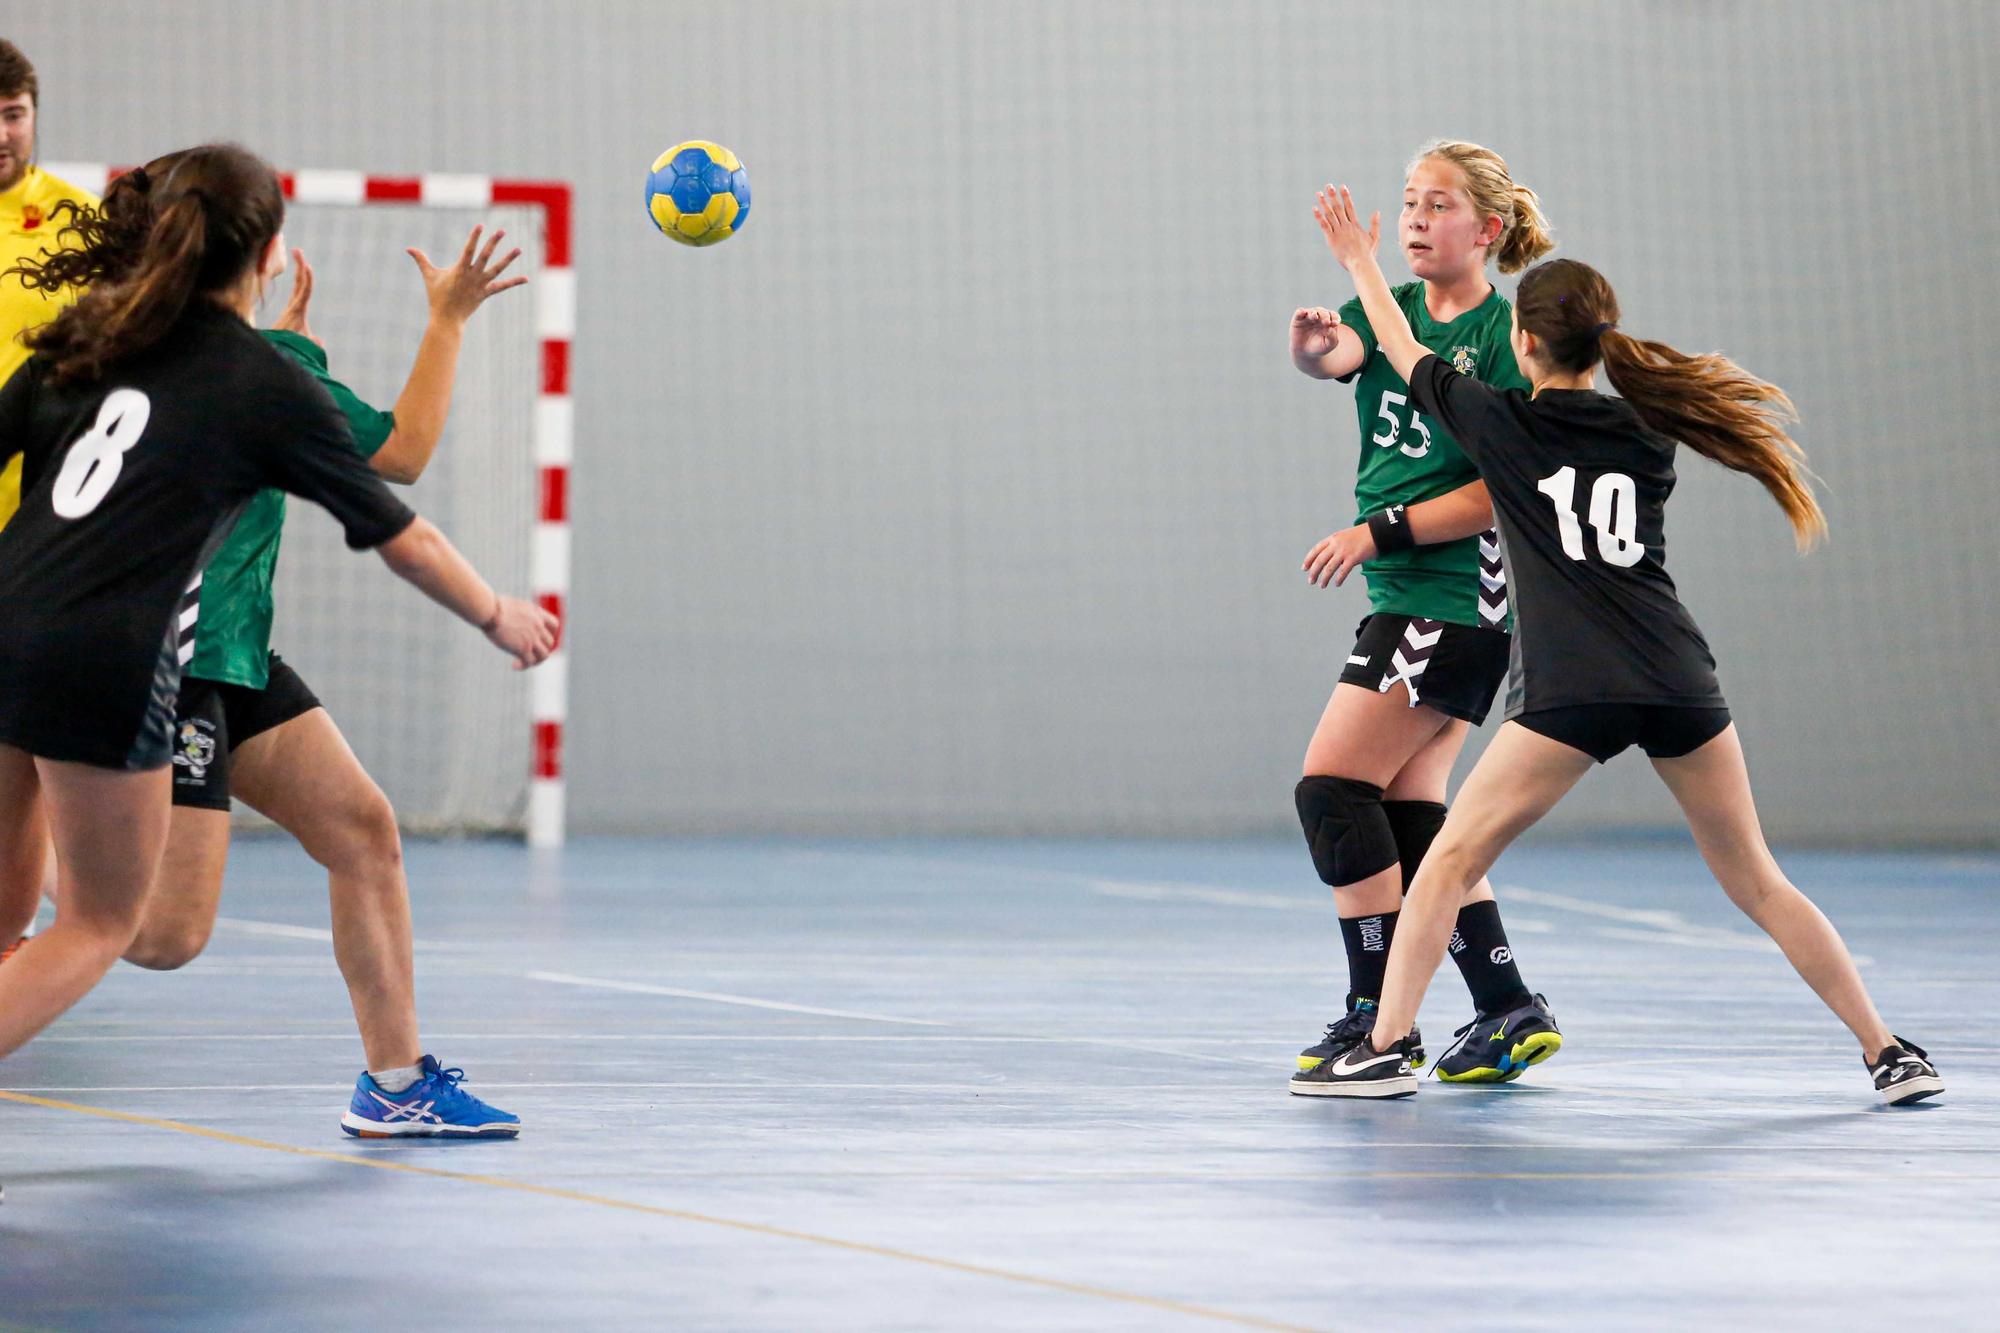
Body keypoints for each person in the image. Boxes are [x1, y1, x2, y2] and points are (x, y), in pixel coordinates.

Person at [1295, 185, 1942, 1106]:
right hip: (1680, 674)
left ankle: (1387, 1045)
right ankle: (1888, 1051)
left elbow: (1403, 352)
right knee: (1759, 880)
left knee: (1445, 859)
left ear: (1523, 343)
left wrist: (1360, 261)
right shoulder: (1647, 434)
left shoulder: (1500, 423)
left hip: (1574, 688)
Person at [0, 140, 558, 1160]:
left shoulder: (90, 346)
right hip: (149, 649)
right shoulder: (263, 378)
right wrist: (496, 613)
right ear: (265, 253)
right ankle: (65, 860)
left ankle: (395, 1082)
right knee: (134, 929)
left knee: (361, 826)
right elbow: (405, 510)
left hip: (116, 636)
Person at [1287, 142, 1562, 1092]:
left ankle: (1377, 1018)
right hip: (1416, 599)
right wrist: (1313, 338)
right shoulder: (1390, 312)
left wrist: (1377, 532)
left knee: (1331, 790)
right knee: (1414, 817)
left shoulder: (1501, 337)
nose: (1411, 218)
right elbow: (1343, 353)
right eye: (1407, 202)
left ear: (1485, 229)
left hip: (1446, 597)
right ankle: (1505, 1004)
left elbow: (1498, 493)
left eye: (1434, 204)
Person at [0, 38, 102, 967]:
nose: (1, 133)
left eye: (13, 112)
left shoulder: (79, 226)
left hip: (35, 528)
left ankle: (9, 950)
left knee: (16, 758)